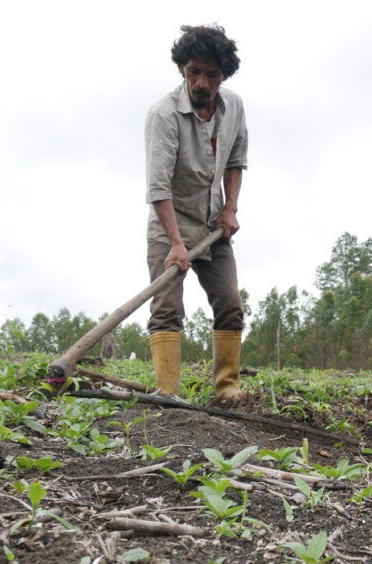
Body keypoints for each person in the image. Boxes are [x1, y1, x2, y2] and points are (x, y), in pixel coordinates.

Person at [144, 24, 248, 399]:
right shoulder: (164, 115)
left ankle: (226, 389)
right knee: (167, 308)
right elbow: (158, 187)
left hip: (213, 225)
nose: (202, 83)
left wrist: (230, 209)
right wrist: (175, 243)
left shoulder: (233, 106)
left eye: (212, 74)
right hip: (170, 225)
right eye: (194, 72)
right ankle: (168, 393)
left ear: (223, 76)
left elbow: (236, 160)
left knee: (230, 303)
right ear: (182, 70)